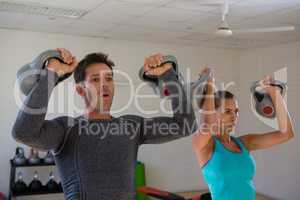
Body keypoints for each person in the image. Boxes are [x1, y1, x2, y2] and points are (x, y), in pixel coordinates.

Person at [12, 48, 197, 200]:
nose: (104, 85)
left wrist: (168, 75)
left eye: (109, 78)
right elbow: (23, 132)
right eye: (95, 79)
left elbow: (185, 124)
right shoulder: (66, 129)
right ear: (79, 89)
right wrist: (50, 74)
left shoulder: (131, 126)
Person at [192, 68, 295, 200]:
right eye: (228, 111)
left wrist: (274, 92)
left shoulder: (244, 143)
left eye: (236, 111)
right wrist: (209, 83)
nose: (234, 116)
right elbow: (207, 126)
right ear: (213, 113)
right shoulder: (205, 145)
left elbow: (286, 133)